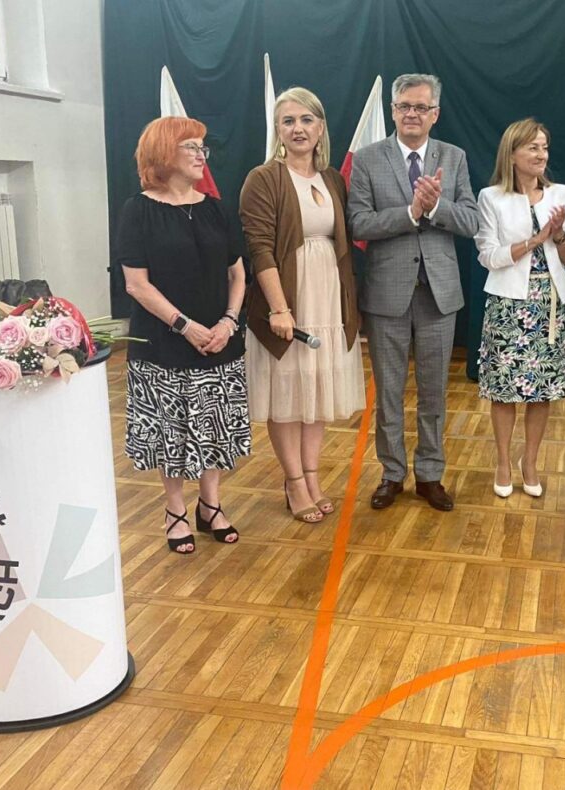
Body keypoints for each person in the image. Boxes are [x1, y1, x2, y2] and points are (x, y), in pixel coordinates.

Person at [116, 116, 249, 553]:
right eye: (189, 146)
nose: (200, 155)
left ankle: (210, 505)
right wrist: (184, 325)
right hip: (163, 344)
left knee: (214, 426)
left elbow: (238, 274)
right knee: (170, 432)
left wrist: (228, 322)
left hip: (219, 340)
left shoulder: (216, 208)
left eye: (201, 147)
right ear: (162, 153)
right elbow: (136, 284)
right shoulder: (138, 210)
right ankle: (175, 510)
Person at [347, 73, 479, 512]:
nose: (412, 114)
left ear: (435, 114)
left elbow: (471, 221)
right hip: (387, 294)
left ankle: (430, 474)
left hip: (439, 293)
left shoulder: (454, 158)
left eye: (421, 107)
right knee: (388, 392)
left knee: (434, 391)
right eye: (404, 106)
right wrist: (410, 212)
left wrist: (436, 206)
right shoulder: (368, 159)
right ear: (392, 110)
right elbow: (359, 223)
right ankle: (391, 474)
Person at [240, 87, 365, 523]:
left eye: (306, 120)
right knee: (288, 393)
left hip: (328, 297)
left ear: (321, 127)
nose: (298, 129)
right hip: (289, 298)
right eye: (288, 121)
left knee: (316, 389)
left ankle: (312, 476)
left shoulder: (332, 179)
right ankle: (294, 481)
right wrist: (279, 308)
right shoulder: (264, 178)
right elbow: (260, 249)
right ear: (277, 129)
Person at [475, 119, 565, 498]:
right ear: (512, 154)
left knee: (543, 390)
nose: (541, 154)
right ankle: (503, 462)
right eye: (533, 147)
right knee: (503, 390)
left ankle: (530, 461)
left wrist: (559, 235)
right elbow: (488, 256)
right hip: (507, 305)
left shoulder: (562, 194)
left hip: (551, 304)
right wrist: (535, 240)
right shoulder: (491, 197)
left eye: (544, 147)